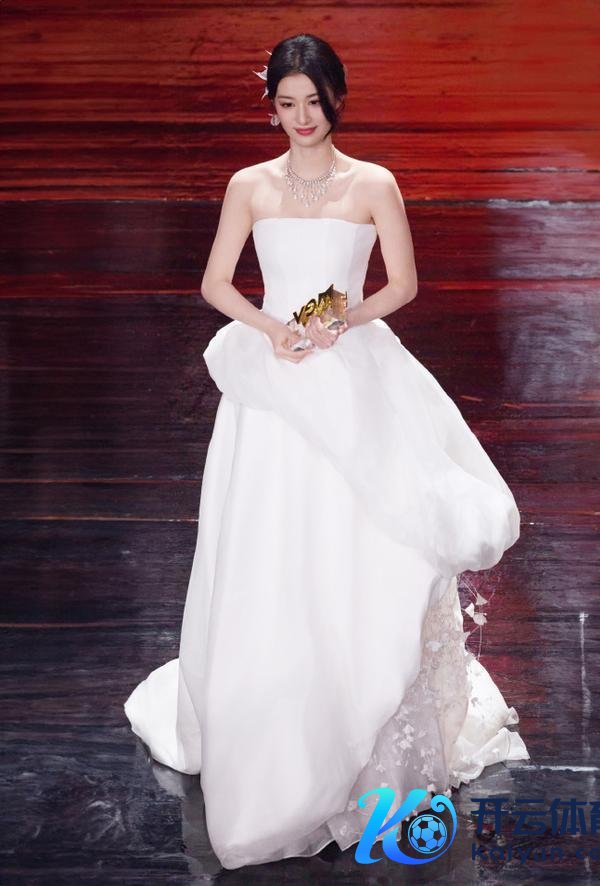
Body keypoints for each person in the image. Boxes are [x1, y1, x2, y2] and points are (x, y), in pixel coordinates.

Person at [123, 32, 530, 870]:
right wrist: (272, 328)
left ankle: (361, 707)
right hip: (274, 377)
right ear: (270, 106)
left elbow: (402, 283)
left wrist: (339, 319)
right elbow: (215, 282)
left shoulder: (373, 182)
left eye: (313, 101)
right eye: (286, 103)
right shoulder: (250, 184)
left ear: (336, 99)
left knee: (362, 539)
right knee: (269, 540)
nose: (301, 117)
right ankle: (277, 711)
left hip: (351, 367)